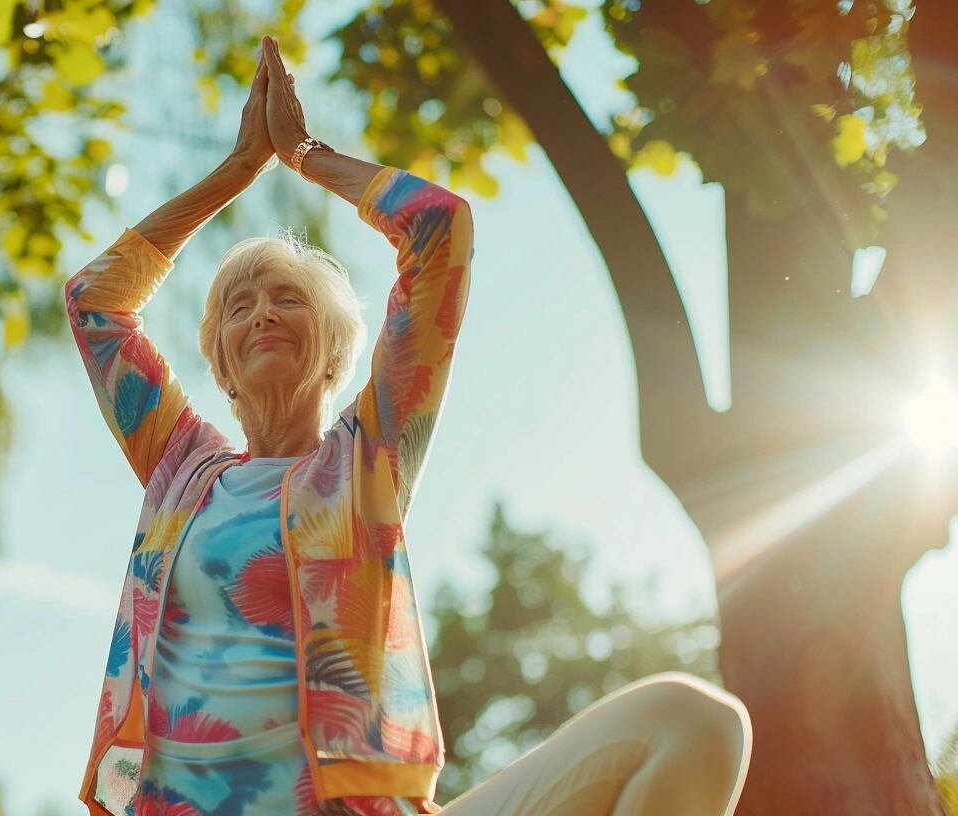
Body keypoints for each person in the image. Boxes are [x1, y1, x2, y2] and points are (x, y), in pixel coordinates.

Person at [65, 34, 752, 816]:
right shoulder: (179, 469)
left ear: (333, 352)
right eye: (238, 306)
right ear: (217, 365)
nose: (262, 314)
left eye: (288, 299)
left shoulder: (366, 460)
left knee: (694, 723)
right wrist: (236, 171)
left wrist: (302, 154)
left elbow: (439, 230)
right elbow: (96, 302)